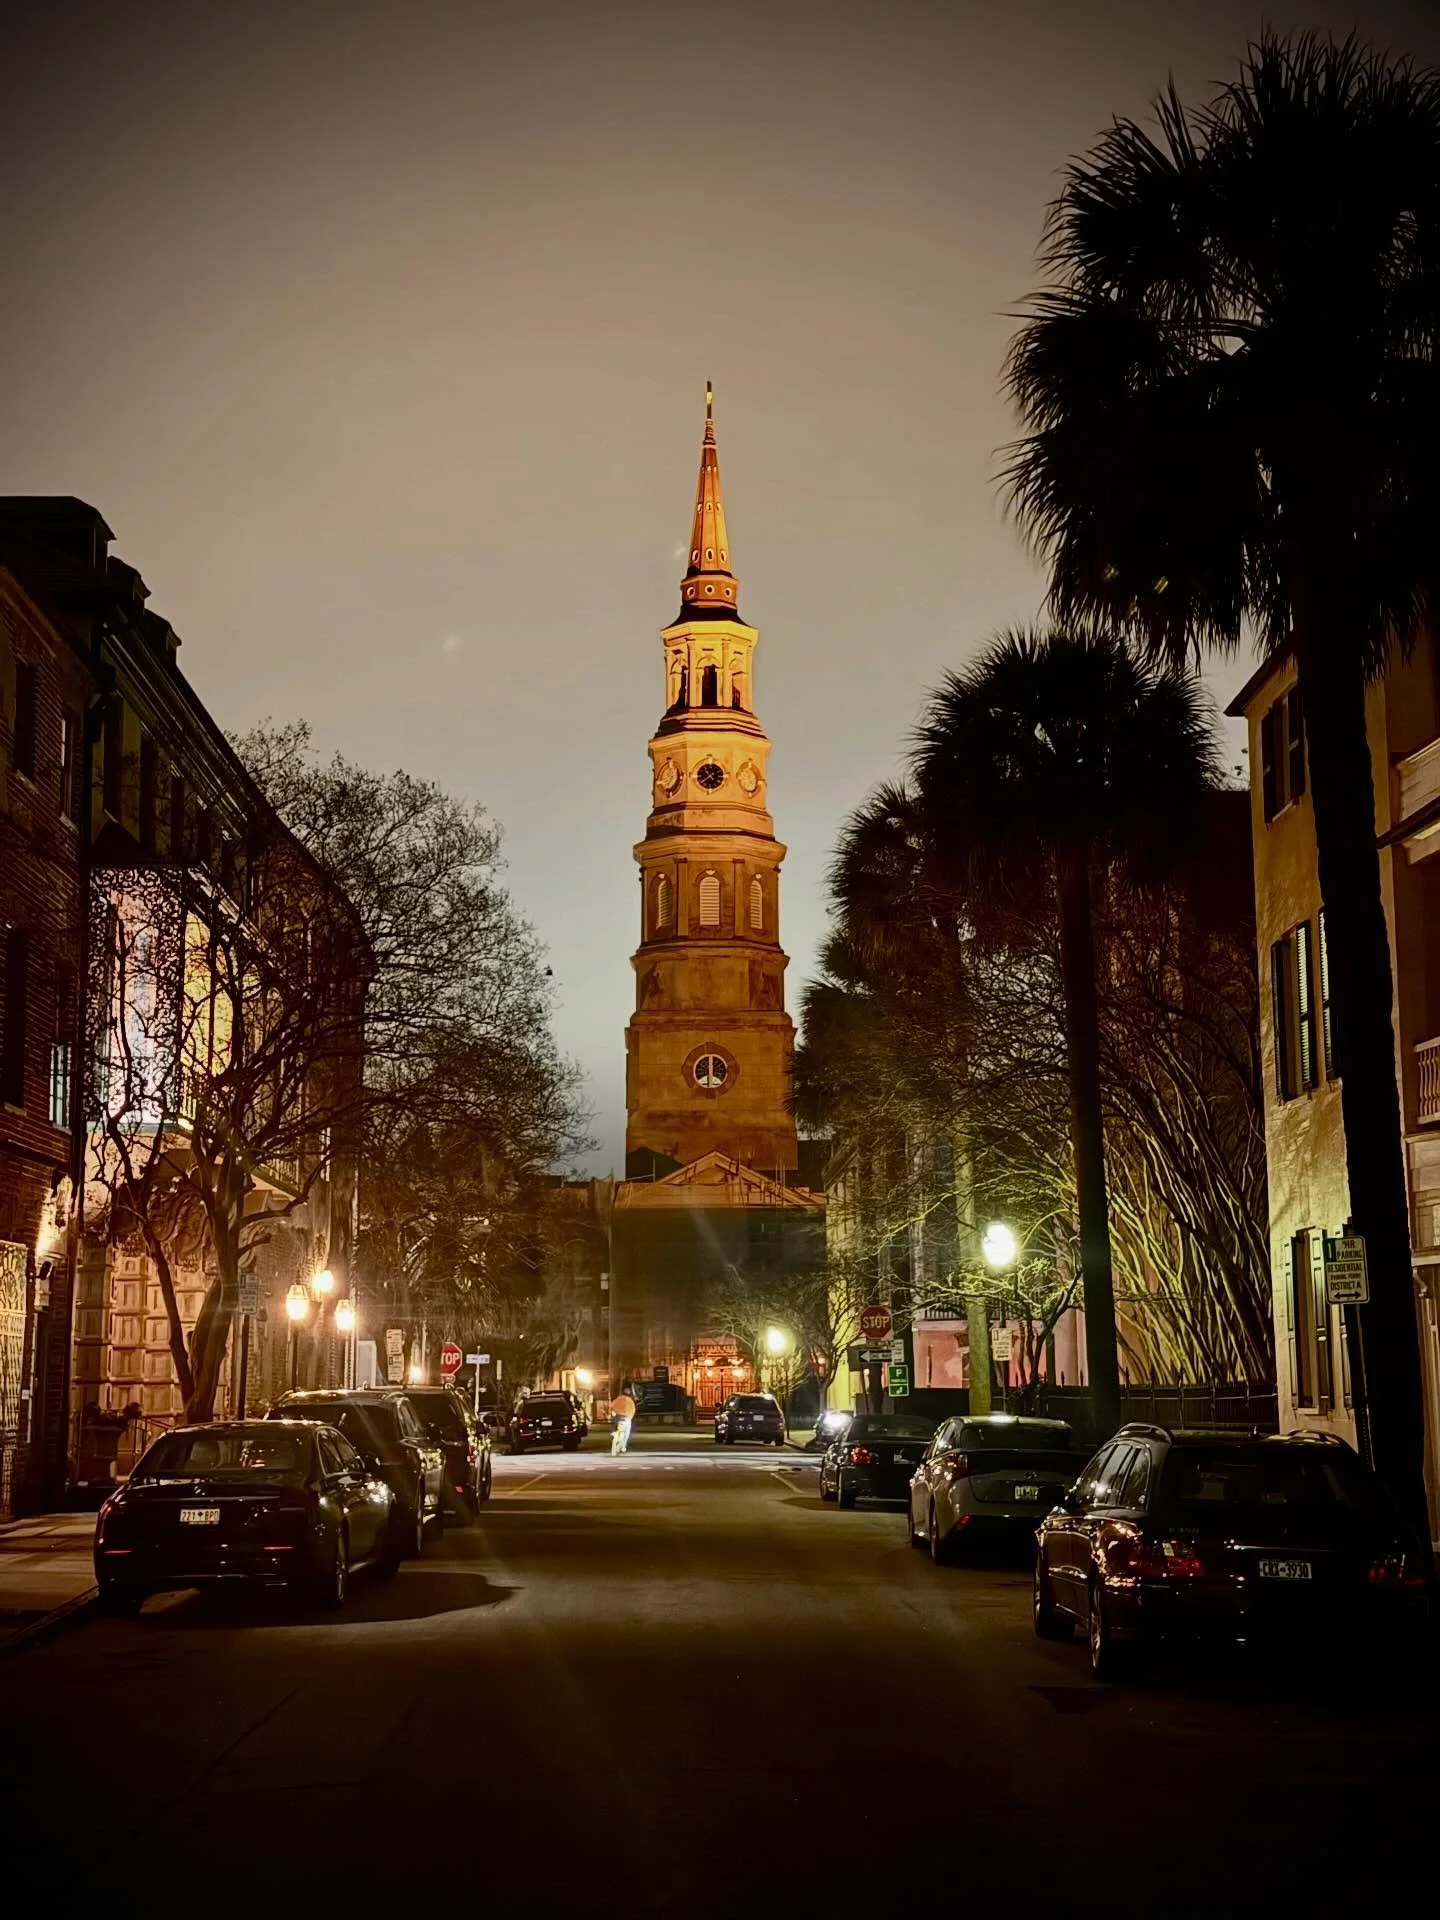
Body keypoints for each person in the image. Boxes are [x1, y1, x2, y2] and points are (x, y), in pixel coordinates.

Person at [610, 1384, 637, 1456]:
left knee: (614, 1424)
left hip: (617, 1417)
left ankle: (613, 1432)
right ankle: (623, 1446)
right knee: (626, 1433)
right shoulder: (630, 1401)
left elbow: (612, 1407)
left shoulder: (617, 1399)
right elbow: (633, 1410)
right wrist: (630, 1418)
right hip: (626, 1418)